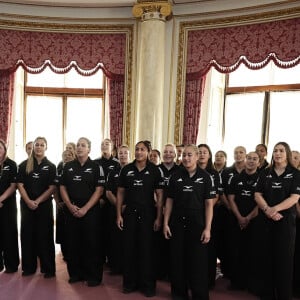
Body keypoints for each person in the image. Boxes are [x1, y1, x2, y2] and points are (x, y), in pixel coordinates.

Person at [163, 144, 215, 300]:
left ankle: (199, 294)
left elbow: (208, 204)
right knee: (177, 260)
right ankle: (179, 293)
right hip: (177, 223)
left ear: (197, 157)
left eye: (189, 155)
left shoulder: (206, 177)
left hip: (197, 225)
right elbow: (169, 201)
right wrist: (166, 223)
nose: (186, 158)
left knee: (197, 262)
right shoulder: (175, 176)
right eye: (184, 155)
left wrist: (208, 228)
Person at [116, 140, 164, 297]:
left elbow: (160, 195)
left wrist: (158, 218)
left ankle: (148, 286)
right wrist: (118, 215)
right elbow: (121, 193)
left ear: (148, 152)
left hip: (148, 214)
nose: (138, 152)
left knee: (147, 251)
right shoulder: (127, 170)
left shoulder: (155, 170)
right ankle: (129, 283)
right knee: (129, 249)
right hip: (129, 214)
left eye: (142, 150)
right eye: (136, 149)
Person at [255, 142, 300, 300]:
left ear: (286, 153)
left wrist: (275, 209)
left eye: (281, 150)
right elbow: (257, 195)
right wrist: (268, 210)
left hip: (285, 222)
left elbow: (294, 198)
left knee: (284, 263)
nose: (277, 153)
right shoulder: (265, 173)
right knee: (266, 260)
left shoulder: (295, 173)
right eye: (275, 150)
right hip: (266, 220)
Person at [60, 137, 105, 287]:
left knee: (91, 244)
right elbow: (62, 187)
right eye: (78, 145)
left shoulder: (96, 166)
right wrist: (69, 205)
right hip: (71, 210)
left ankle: (92, 276)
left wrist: (85, 208)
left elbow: (99, 190)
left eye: (83, 145)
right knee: (73, 243)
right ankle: (75, 274)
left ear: (89, 149)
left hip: (90, 211)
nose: (79, 148)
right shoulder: (68, 166)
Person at [17, 137, 56, 278]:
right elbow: (19, 185)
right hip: (27, 207)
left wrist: (38, 201)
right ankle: (28, 268)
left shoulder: (51, 166)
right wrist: (28, 201)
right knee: (27, 236)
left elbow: (52, 187)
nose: (39, 147)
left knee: (45, 236)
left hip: (44, 206)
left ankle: (48, 269)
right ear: (33, 147)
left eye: (42, 145)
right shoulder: (23, 165)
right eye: (36, 145)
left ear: (46, 147)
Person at [227, 151, 259, 290]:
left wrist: (248, 218)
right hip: (236, 220)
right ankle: (236, 282)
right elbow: (231, 199)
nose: (251, 161)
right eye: (249, 158)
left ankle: (251, 283)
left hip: (255, 221)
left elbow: (262, 202)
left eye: (254, 159)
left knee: (252, 252)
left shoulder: (262, 179)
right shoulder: (236, 178)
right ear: (246, 160)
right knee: (236, 251)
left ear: (259, 162)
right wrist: (240, 217)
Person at [219, 145, 246, 280]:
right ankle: (227, 271)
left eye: (241, 152)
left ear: (245, 155)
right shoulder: (226, 171)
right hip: (228, 211)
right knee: (229, 242)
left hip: (247, 214)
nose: (238, 155)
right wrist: (229, 207)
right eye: (236, 152)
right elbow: (221, 191)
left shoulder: (252, 171)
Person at [198, 143, 222, 289]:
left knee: (209, 248)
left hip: (209, 213)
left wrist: (205, 209)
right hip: (191, 214)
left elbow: (217, 195)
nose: (201, 154)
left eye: (204, 152)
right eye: (199, 152)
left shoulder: (214, 174)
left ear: (209, 155)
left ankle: (208, 280)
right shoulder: (186, 170)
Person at [94, 138, 120, 269]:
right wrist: (99, 197)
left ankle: (112, 259)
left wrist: (108, 198)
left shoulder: (117, 163)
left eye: (107, 144)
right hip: (97, 201)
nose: (104, 146)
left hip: (111, 202)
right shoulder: (95, 162)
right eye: (102, 144)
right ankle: (100, 259)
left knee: (111, 232)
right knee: (99, 232)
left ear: (112, 148)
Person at [156, 143, 180, 280]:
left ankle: (172, 273)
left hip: (174, 211)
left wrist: (169, 207)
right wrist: (160, 205)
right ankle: (159, 271)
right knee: (158, 243)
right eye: (165, 151)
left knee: (172, 243)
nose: (168, 154)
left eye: (171, 152)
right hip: (157, 210)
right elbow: (153, 190)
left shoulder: (181, 170)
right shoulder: (155, 169)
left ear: (175, 155)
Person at [106, 144, 130, 275]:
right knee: (114, 239)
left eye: (125, 153)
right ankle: (115, 266)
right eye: (120, 153)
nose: (123, 155)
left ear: (129, 155)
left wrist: (126, 206)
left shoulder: (133, 170)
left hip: (130, 210)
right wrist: (119, 206)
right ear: (117, 155)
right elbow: (108, 192)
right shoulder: (112, 172)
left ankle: (127, 267)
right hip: (114, 209)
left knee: (127, 240)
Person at [0, 139, 19, 273]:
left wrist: (0, 199)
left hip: (7, 206)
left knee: (9, 234)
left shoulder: (11, 164)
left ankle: (11, 265)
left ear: (4, 150)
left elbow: (13, 186)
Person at [54, 149, 76, 260]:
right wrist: (57, 201)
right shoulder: (59, 168)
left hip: (73, 205)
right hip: (61, 204)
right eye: (65, 155)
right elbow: (55, 187)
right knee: (62, 230)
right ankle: (65, 254)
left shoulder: (76, 168)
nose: (67, 157)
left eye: (69, 155)